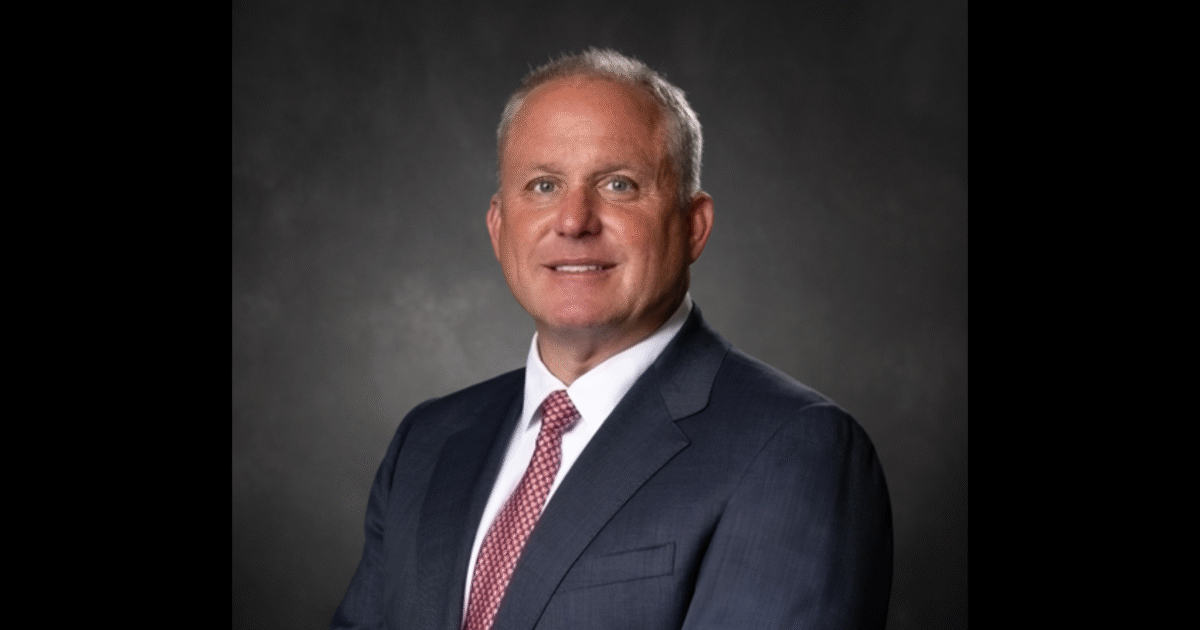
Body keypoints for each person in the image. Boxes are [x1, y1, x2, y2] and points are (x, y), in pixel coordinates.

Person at [331, 48, 892, 630]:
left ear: (693, 226)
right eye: (543, 185)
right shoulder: (428, 440)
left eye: (619, 184)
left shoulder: (795, 447)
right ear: (499, 228)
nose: (574, 220)